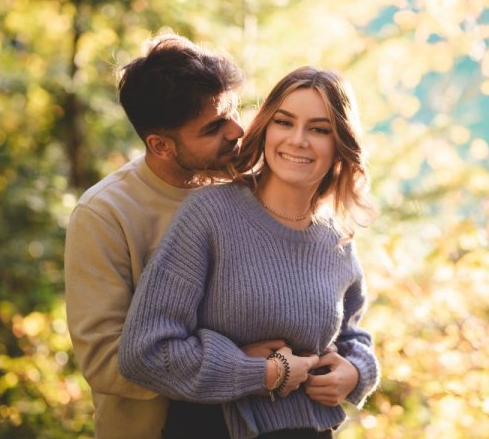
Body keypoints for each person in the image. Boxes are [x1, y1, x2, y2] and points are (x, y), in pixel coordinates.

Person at [119, 66, 380, 439]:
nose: (298, 140)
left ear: (341, 143)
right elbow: (146, 353)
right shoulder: (210, 215)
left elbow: (353, 336)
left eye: (319, 129)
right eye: (285, 122)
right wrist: (264, 372)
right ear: (266, 128)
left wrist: (355, 373)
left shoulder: (336, 237)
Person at [64, 33, 285, 439]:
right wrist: (238, 364)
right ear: (161, 145)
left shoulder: (249, 188)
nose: (237, 130)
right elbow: (104, 360)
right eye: (214, 126)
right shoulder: (104, 215)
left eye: (233, 110)